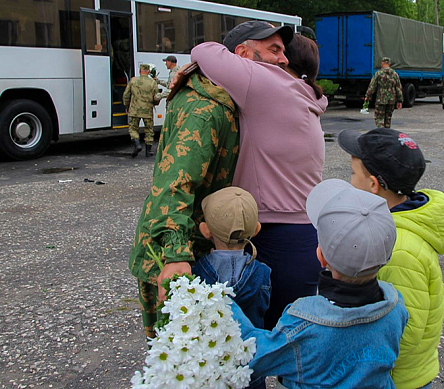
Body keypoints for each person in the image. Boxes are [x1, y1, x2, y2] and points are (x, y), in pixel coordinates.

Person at [188, 23, 328, 329]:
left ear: (241, 55)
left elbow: (203, 49)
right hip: (303, 235)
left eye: (283, 51)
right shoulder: (299, 95)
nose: (283, 60)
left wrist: (190, 72)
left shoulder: (267, 83)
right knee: (293, 347)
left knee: (250, 344)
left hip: (275, 236)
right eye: (275, 50)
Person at [229, 179, 409, 389]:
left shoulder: (305, 322)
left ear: (320, 257)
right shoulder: (395, 306)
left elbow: (255, 353)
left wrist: (223, 301)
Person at [337, 128, 444, 389]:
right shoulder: (391, 229)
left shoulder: (399, 248)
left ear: (372, 184)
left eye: (353, 174)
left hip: (397, 379)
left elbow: (405, 332)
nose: (350, 181)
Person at [128, 60, 240, 338]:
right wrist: (176, 255)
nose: (281, 58)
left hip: (189, 247)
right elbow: (176, 183)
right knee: (178, 352)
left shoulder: (212, 96)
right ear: (242, 53)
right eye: (272, 50)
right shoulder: (206, 111)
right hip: (176, 254)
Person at [193, 186, 270, 389]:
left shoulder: (196, 273)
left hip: (210, 371)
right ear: (256, 229)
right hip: (251, 367)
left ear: (205, 230)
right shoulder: (263, 273)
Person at [122, 63, 158, 158]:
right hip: (147, 111)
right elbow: (156, 97)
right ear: (148, 71)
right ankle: (148, 151)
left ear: (140, 71)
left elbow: (126, 94)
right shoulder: (152, 82)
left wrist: (127, 106)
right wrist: (154, 104)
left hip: (134, 109)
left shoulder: (133, 80)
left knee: (133, 128)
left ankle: (137, 144)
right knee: (149, 130)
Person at [365, 57, 403, 128]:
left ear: (382, 63)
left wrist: (368, 96)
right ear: (389, 64)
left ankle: (381, 132)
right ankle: (387, 133)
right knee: (388, 118)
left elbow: (372, 86)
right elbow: (398, 88)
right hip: (391, 100)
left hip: (381, 100)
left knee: (379, 118)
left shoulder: (378, 73)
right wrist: (399, 101)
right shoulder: (394, 74)